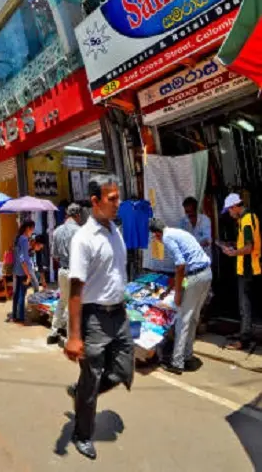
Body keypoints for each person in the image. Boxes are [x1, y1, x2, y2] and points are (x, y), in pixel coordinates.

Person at [64, 174, 132, 461]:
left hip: (119, 314)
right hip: (94, 317)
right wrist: (74, 335)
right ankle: (82, 434)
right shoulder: (83, 239)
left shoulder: (115, 230)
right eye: (112, 198)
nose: (118, 203)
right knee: (92, 379)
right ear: (95, 202)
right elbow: (75, 290)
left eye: (118, 197)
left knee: (123, 372)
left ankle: (80, 394)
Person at [148, 218, 212, 374]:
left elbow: (181, 265)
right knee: (193, 318)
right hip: (206, 274)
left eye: (155, 237)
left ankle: (177, 362)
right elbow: (182, 268)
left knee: (182, 319)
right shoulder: (178, 232)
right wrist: (171, 287)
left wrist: (177, 293)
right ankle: (187, 356)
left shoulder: (167, 238)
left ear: (157, 234)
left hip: (195, 277)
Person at [219, 193, 260, 351]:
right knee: (246, 304)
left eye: (229, 211)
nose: (229, 214)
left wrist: (233, 253)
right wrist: (233, 244)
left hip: (247, 269)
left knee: (245, 306)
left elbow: (249, 247)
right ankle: (245, 334)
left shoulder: (247, 220)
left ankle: (244, 340)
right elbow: (246, 242)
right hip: (248, 267)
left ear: (235, 207)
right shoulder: (248, 218)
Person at [48, 204, 83, 345]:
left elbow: (54, 255)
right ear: (77, 215)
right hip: (74, 271)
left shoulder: (57, 231)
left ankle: (54, 330)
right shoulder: (79, 231)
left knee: (62, 300)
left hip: (62, 270)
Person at [10, 220, 37, 324]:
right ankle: (20, 317)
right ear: (28, 228)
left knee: (16, 294)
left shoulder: (18, 238)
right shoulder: (24, 239)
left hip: (16, 270)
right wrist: (27, 274)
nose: (32, 231)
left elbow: (19, 255)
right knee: (22, 294)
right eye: (32, 229)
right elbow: (23, 259)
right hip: (23, 270)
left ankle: (14, 315)